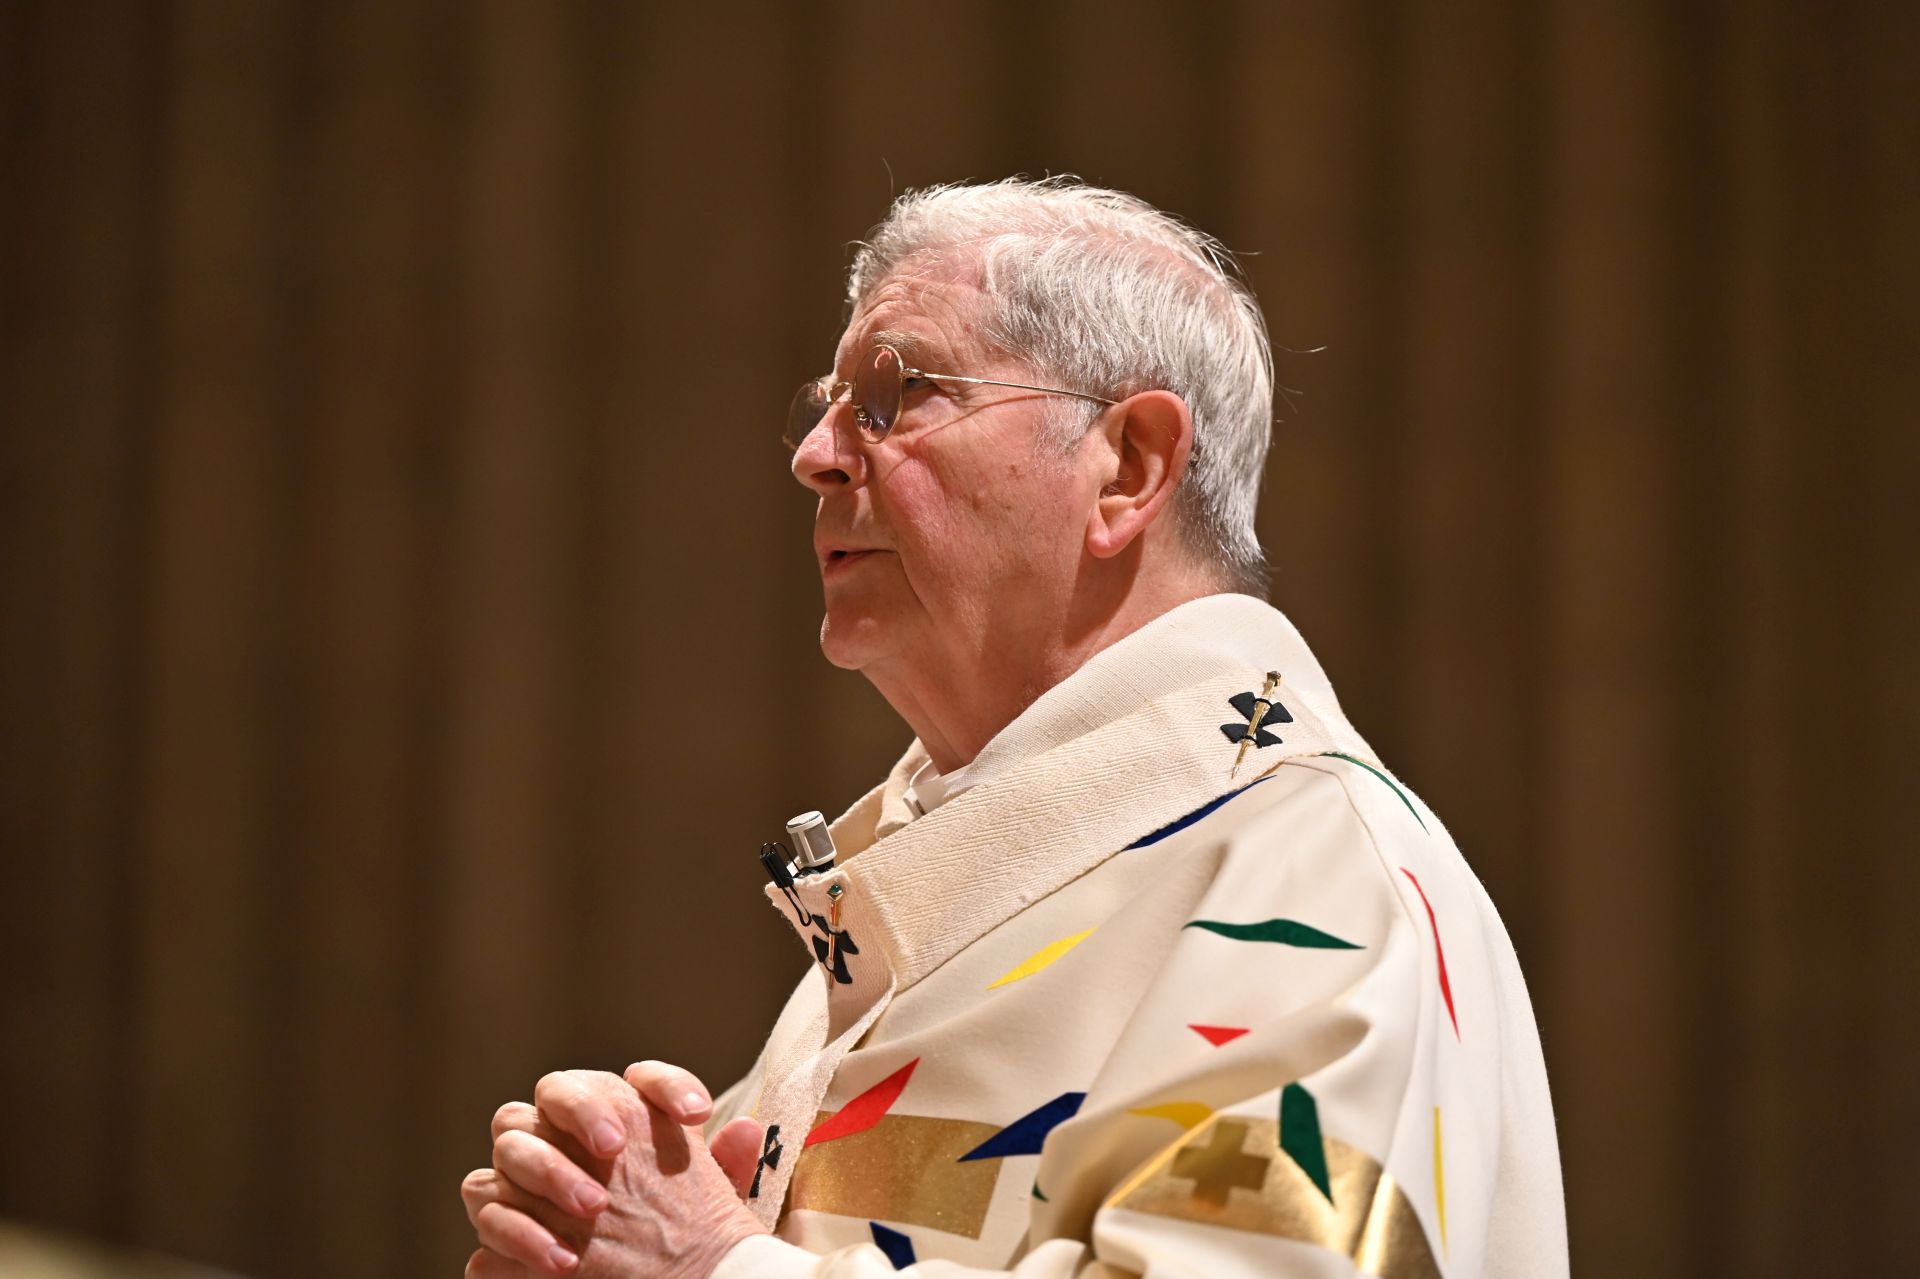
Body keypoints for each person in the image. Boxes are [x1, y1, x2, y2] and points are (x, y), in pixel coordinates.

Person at [458, 179, 1568, 1278]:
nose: (816, 454)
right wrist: (598, 1225)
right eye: (827, 403)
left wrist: (712, 1265)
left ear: (1128, 466)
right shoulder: (940, 894)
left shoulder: (1310, 876)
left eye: (894, 392)